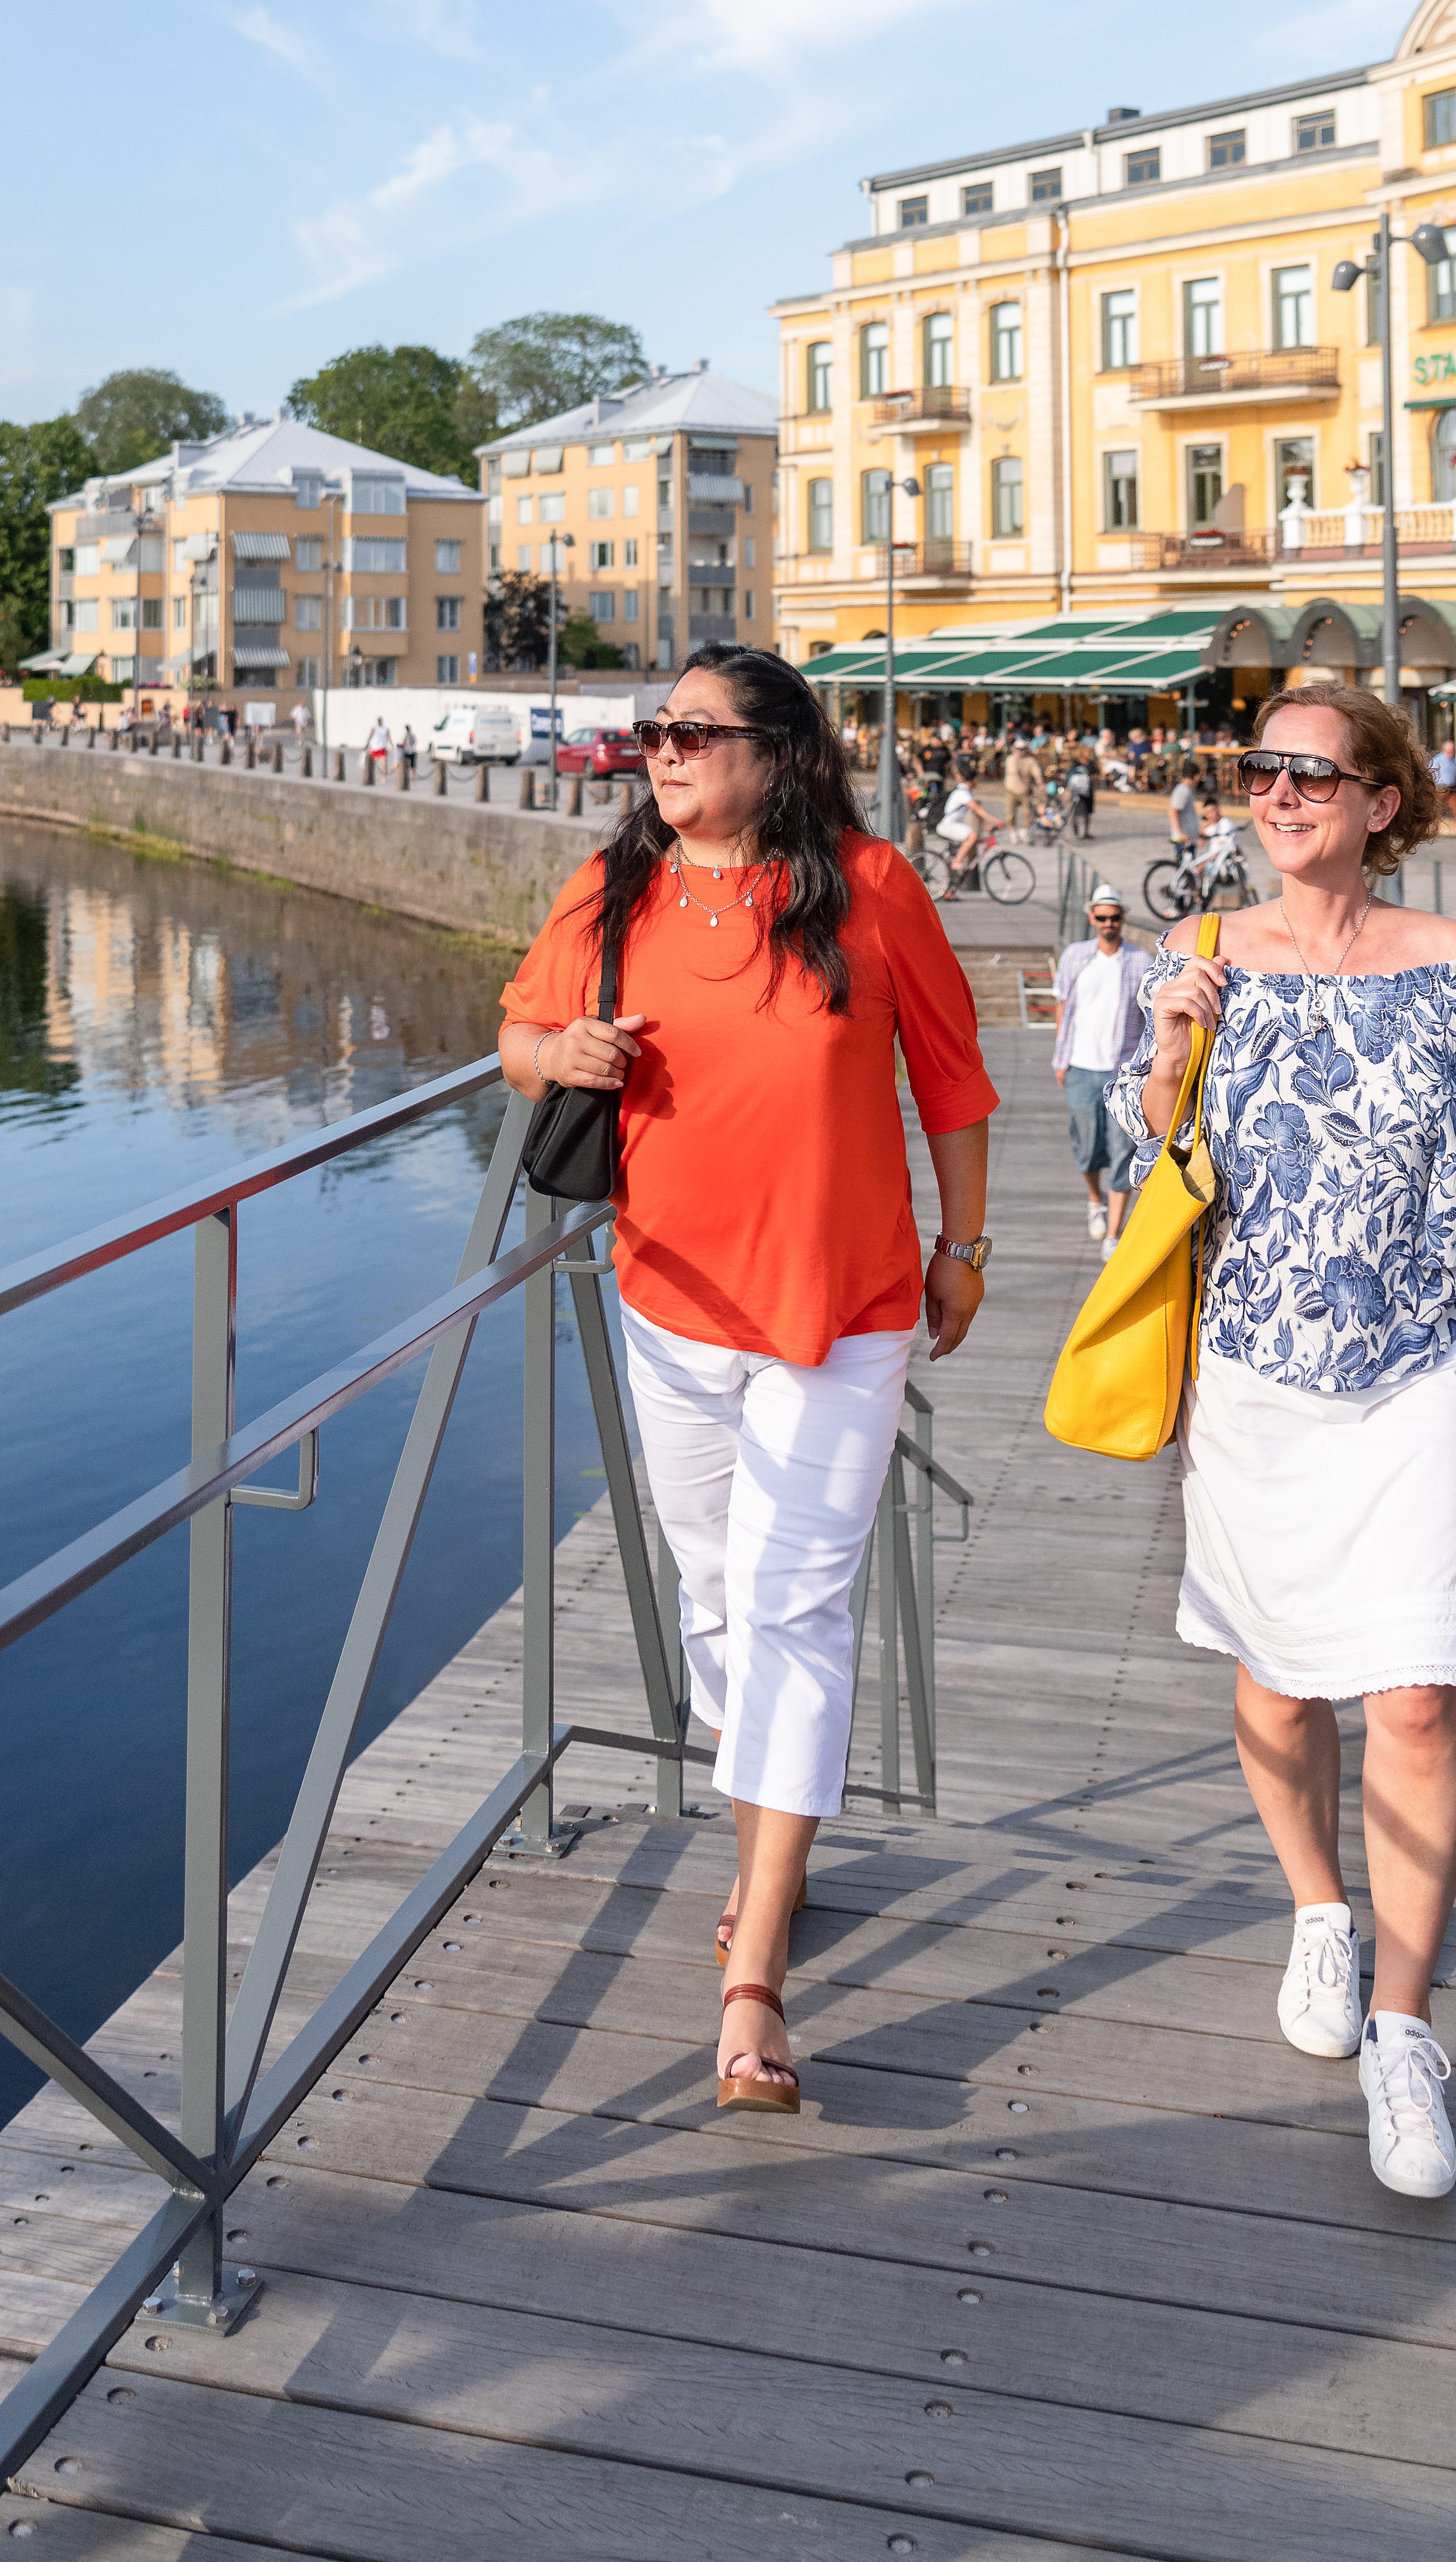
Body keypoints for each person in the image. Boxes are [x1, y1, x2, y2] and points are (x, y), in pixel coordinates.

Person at [498, 648, 997, 2110]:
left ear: (778, 753)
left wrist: (963, 1250)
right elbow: (515, 1031)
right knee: (716, 1593)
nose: (663, 754)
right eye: (654, 732)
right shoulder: (616, 894)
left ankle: (755, 1967)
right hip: (671, 1303)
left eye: (694, 734)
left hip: (844, 1311)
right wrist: (556, 1051)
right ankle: (767, 1837)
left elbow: (954, 1084)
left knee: (796, 1603)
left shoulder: (869, 885)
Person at [1118, 688, 1456, 2202]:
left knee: (1425, 1698)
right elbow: (1146, 1176)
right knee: (1272, 1673)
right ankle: (1320, 1902)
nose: (1277, 790)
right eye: (1261, 769)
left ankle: (1401, 2024)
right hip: (1254, 1370)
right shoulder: (1205, 959)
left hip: (1423, 1366)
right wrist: (1165, 1052)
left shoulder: (1453, 964)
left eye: (1312, 771)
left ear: (1382, 802)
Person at [1052, 890, 1150, 1248]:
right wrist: (1060, 1060)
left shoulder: (1142, 961)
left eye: (1116, 918)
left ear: (1123, 919)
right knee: (1086, 1145)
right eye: (1103, 918)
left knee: (1124, 1148)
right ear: (1092, 918)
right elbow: (1064, 1008)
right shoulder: (1075, 956)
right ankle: (1095, 1200)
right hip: (1079, 1066)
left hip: (1123, 1073)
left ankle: (1114, 1233)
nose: (1109, 924)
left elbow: (1151, 1020)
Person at [937, 768, 981, 890]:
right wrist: (996, 820)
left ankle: (951, 890)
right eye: (977, 780)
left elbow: (976, 813)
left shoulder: (966, 791)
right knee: (972, 836)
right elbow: (978, 809)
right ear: (972, 780)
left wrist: (987, 825)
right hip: (948, 826)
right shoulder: (963, 793)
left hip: (952, 826)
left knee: (971, 839)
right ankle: (958, 862)